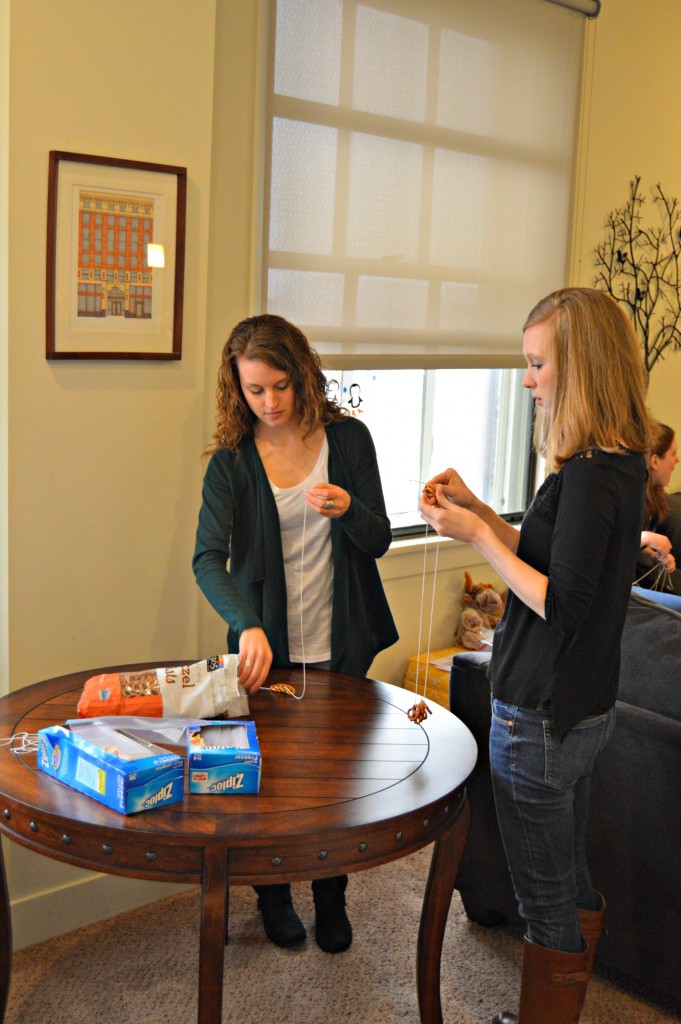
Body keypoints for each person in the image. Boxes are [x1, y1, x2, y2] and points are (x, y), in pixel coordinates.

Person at [420, 287, 651, 1024]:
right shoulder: (615, 463)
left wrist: (476, 539)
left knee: (542, 898)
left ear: (578, 367)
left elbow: (560, 603)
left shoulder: (586, 475)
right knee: (568, 872)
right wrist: (481, 512)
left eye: (535, 363)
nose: (526, 379)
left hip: (539, 715)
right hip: (579, 708)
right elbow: (559, 564)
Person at [192, 313, 398, 954]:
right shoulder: (232, 462)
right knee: (272, 788)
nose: (271, 402)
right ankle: (274, 896)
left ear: (303, 375)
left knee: (336, 783)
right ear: (237, 388)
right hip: (267, 654)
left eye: (280, 385)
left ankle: (331, 897)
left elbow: (380, 539)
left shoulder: (350, 440)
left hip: (342, 643)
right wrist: (246, 624)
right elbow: (206, 559)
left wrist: (348, 508)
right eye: (256, 390)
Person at [635, 421, 680, 593]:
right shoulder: (629, 496)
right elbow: (612, 546)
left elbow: (633, 552)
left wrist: (653, 557)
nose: (677, 460)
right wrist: (645, 538)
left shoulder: (654, 498)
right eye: (673, 454)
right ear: (655, 461)